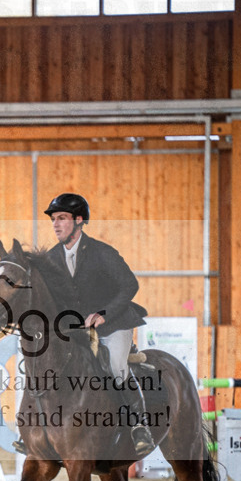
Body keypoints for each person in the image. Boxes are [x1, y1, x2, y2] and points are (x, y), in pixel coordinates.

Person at [44, 192, 155, 457]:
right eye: (53, 219)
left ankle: (139, 426)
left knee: (115, 367)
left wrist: (104, 313)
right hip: (79, 328)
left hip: (114, 322)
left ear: (79, 220)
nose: (56, 224)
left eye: (62, 218)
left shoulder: (101, 252)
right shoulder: (51, 259)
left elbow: (130, 285)